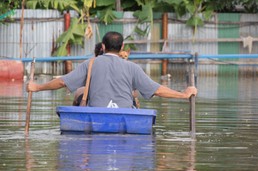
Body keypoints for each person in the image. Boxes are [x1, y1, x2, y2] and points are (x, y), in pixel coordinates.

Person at [27, 31, 198, 108]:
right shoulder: (132, 67)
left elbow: (63, 81)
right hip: (125, 115)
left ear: (103, 46)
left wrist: (37, 87)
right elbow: (158, 90)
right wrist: (183, 94)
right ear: (122, 46)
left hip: (96, 116)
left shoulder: (91, 63)